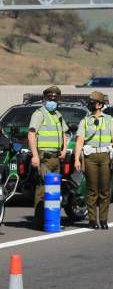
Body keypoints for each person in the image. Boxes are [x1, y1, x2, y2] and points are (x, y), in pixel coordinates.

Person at [74, 91, 113, 230]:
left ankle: (103, 219)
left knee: (105, 190)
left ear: (100, 105)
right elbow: (79, 141)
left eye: (94, 102)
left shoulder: (109, 120)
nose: (91, 104)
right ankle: (92, 220)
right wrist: (77, 159)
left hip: (106, 156)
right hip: (90, 157)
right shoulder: (85, 121)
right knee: (92, 189)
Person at [27, 86, 68, 228]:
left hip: (56, 158)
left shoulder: (58, 115)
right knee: (42, 190)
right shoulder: (39, 114)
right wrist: (35, 156)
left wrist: (64, 149)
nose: (53, 101)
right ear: (44, 99)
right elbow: (31, 134)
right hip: (43, 158)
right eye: (50, 99)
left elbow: (65, 133)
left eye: (55, 99)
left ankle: (52, 220)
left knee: (54, 190)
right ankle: (39, 222)